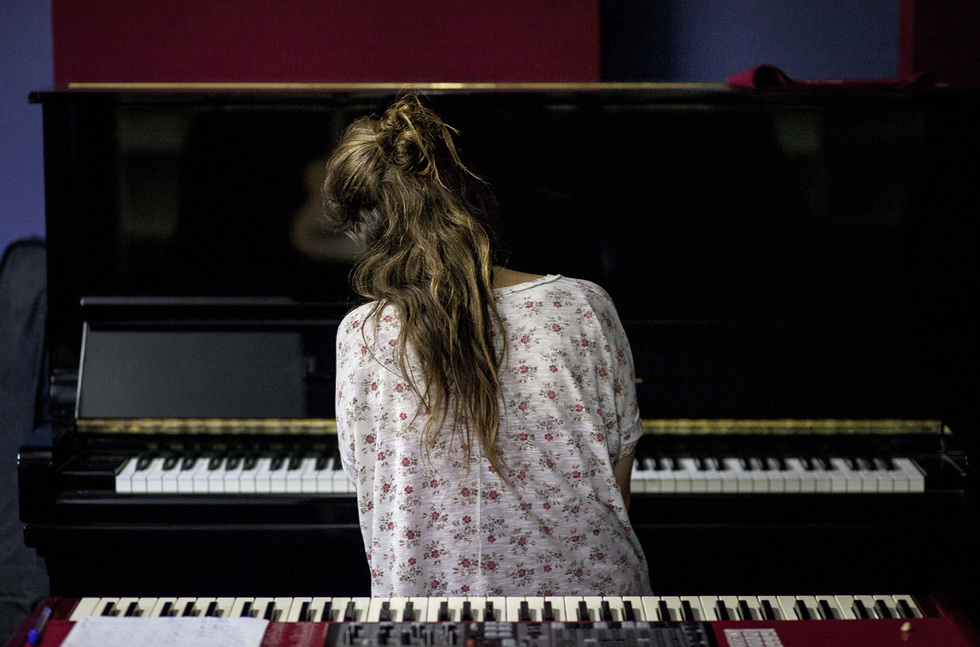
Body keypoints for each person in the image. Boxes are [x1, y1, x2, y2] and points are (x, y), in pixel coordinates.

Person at [323, 95, 651, 597]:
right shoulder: (583, 305)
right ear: (475, 201)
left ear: (364, 231)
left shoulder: (359, 333)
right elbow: (616, 493)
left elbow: (369, 484)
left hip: (428, 617)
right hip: (591, 613)